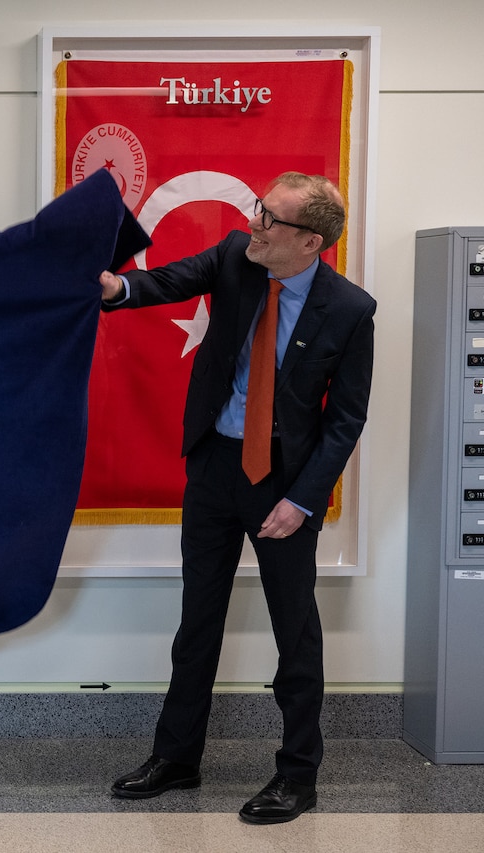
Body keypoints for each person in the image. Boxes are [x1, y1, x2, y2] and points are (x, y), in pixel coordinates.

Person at [99, 172, 375, 824]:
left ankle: (298, 774)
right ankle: (176, 756)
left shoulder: (351, 310)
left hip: (284, 484)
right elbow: (162, 281)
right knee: (197, 621)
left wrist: (304, 501)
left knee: (296, 634)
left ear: (310, 241)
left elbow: (346, 420)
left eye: (270, 218)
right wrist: (117, 287)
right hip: (216, 469)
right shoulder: (233, 256)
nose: (255, 222)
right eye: (258, 209)